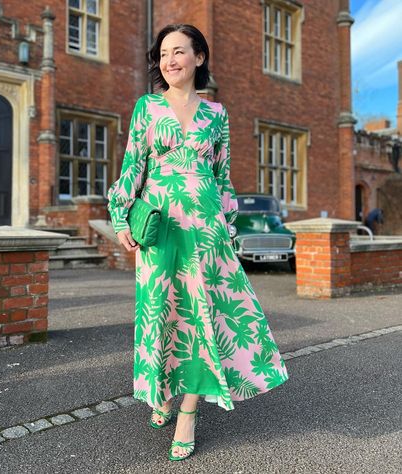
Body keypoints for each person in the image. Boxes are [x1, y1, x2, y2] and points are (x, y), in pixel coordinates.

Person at [107, 24, 289, 461]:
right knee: (161, 311)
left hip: (205, 226)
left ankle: (188, 411)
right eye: (164, 54)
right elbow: (134, 164)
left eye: (179, 52)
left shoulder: (217, 115)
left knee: (201, 316)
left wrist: (227, 223)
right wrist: (119, 216)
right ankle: (162, 391)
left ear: (198, 58)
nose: (170, 60)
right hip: (160, 224)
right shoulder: (147, 107)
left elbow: (223, 176)